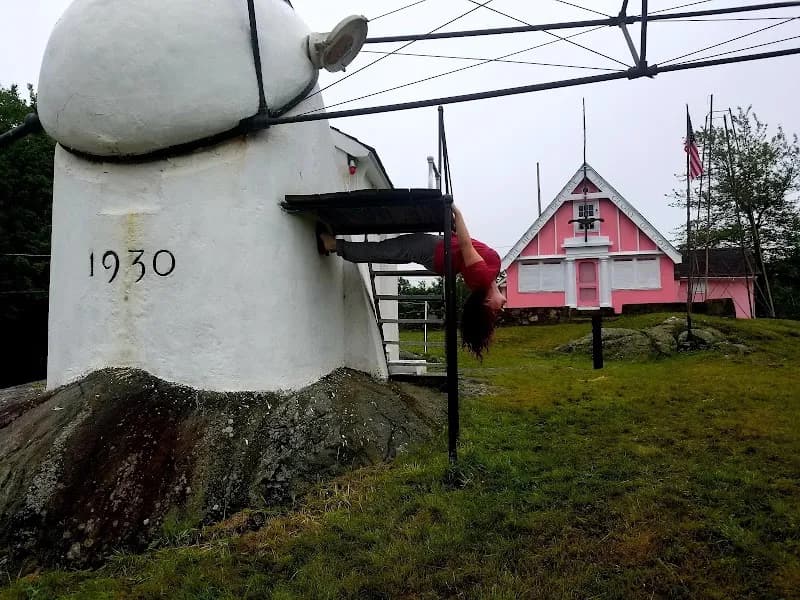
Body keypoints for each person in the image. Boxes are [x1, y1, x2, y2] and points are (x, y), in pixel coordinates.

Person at [317, 205, 506, 359]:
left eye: (496, 310)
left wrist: (457, 212)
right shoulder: (492, 273)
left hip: (434, 251)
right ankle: (336, 245)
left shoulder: (481, 278)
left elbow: (466, 245)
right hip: (439, 250)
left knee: (384, 251)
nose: (503, 307)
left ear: (487, 301)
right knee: (387, 253)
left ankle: (332, 244)